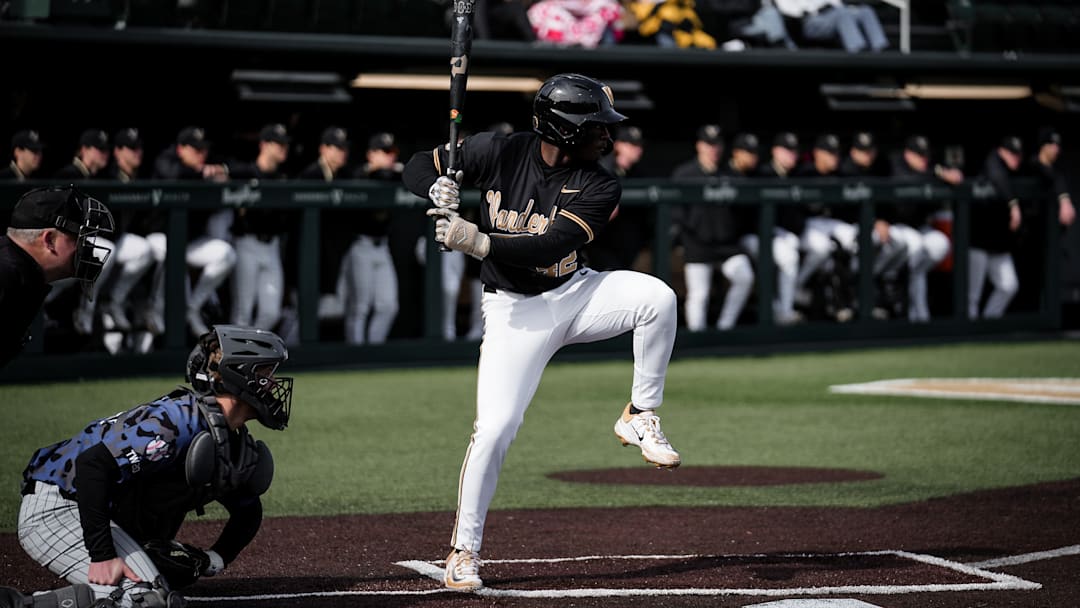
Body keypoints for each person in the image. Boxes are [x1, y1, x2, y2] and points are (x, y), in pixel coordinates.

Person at [403, 73, 681, 591]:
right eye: (598, 126)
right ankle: (463, 551)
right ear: (566, 128)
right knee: (495, 429)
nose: (608, 136)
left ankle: (640, 414)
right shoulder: (498, 150)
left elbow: (549, 247)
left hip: (576, 293)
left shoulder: (601, 182)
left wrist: (477, 241)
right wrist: (432, 184)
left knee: (657, 299)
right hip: (513, 312)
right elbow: (418, 163)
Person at [15, 324, 292, 607]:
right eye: (265, 374)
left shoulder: (230, 440)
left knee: (155, 597)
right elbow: (92, 466)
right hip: (57, 507)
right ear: (239, 374)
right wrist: (103, 556)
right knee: (145, 601)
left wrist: (213, 559)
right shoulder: (178, 422)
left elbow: (247, 509)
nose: (272, 384)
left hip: (91, 511)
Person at [1, 185, 114, 369]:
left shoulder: (25, 273)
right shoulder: (6, 275)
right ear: (49, 240)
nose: (86, 248)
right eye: (79, 238)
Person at [152, 126, 238, 336]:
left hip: (190, 241)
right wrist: (203, 173)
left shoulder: (204, 167)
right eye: (196, 150)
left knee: (226, 254)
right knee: (170, 253)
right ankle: (155, 309)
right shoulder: (167, 160)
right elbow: (173, 173)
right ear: (181, 149)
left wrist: (221, 173)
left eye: (204, 150)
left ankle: (192, 308)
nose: (202, 155)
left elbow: (235, 168)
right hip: (157, 236)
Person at [671, 124, 755, 331]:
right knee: (699, 294)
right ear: (699, 146)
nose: (713, 149)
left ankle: (725, 328)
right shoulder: (685, 173)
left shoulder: (730, 174)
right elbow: (675, 212)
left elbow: (745, 211)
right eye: (709, 145)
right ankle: (697, 339)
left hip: (726, 245)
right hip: (697, 244)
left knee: (744, 276)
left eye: (716, 145)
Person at [335, 131, 402, 345]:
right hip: (360, 245)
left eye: (391, 153)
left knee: (388, 305)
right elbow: (359, 178)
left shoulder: (395, 174)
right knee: (360, 306)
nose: (389, 157)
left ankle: (373, 347)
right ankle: (355, 351)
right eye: (384, 152)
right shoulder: (360, 175)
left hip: (382, 247)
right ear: (371, 154)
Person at [887, 134, 961, 322]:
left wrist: (944, 173)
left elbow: (953, 176)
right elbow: (908, 180)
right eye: (919, 155)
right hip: (895, 228)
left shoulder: (930, 169)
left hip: (919, 229)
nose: (924, 159)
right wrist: (938, 174)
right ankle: (895, 281)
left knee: (941, 244)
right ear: (908, 154)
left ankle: (918, 314)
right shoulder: (895, 163)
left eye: (925, 155)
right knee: (916, 246)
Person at [227, 123, 293, 332]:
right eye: (278, 144)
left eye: (286, 144)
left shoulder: (283, 178)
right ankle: (235, 360)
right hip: (247, 243)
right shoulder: (245, 172)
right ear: (264, 145)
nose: (284, 148)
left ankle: (250, 351)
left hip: (271, 245)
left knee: (271, 312)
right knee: (243, 310)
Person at [749, 131, 803, 324]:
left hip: (783, 234)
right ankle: (783, 310)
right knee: (787, 256)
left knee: (818, 248)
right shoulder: (761, 174)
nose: (792, 156)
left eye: (794, 151)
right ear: (775, 152)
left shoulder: (799, 174)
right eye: (787, 151)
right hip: (754, 234)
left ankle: (795, 291)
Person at [969, 136, 1024, 319]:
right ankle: (968, 333)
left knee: (1009, 285)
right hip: (977, 240)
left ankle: (989, 321)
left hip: (998, 242)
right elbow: (997, 176)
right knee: (972, 295)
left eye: (1018, 155)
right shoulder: (992, 163)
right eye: (1011, 154)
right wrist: (1013, 204)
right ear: (1001, 151)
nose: (1015, 158)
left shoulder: (1015, 171)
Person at [587, 124, 652, 272]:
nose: (637, 149)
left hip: (629, 242)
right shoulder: (603, 168)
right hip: (604, 243)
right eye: (632, 145)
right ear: (618, 145)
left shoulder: (638, 173)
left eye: (639, 145)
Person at [773, 0, 889, 52]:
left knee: (865, 11)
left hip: (832, 14)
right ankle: (857, 55)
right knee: (842, 15)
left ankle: (880, 50)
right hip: (808, 21)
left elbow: (836, 4)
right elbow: (787, 10)